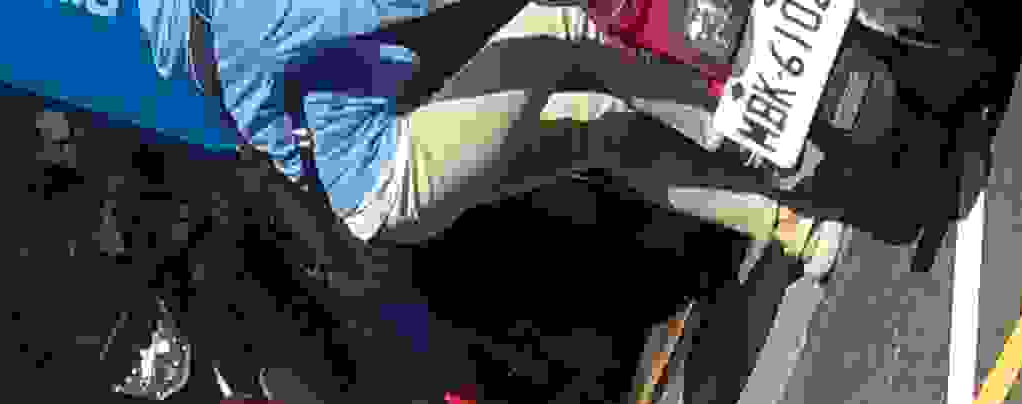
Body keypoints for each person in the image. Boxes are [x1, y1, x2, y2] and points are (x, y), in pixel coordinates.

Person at [139, 0, 849, 277]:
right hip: (399, 171)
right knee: (564, 24)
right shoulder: (237, 13)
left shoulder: (198, 51)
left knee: (598, 131)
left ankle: (791, 228)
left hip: (376, 199)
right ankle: (760, 139)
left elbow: (288, 141)